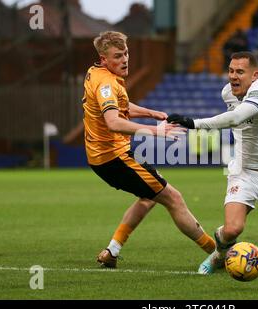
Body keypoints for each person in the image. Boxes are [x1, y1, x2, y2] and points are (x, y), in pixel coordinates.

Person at [83, 31, 216, 268]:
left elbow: (121, 106)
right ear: (104, 59)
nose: (124, 60)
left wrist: (150, 113)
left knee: (148, 198)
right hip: (114, 157)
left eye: (125, 53)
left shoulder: (96, 73)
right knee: (173, 198)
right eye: (117, 56)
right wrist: (156, 130)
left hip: (103, 158)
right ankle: (217, 253)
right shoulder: (106, 83)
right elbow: (113, 121)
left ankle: (112, 251)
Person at [167, 51, 258, 275]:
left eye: (240, 72)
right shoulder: (228, 93)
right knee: (233, 228)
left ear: (255, 75)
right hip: (243, 171)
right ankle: (218, 255)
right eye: (231, 70)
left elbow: (235, 118)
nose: (233, 76)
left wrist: (193, 123)